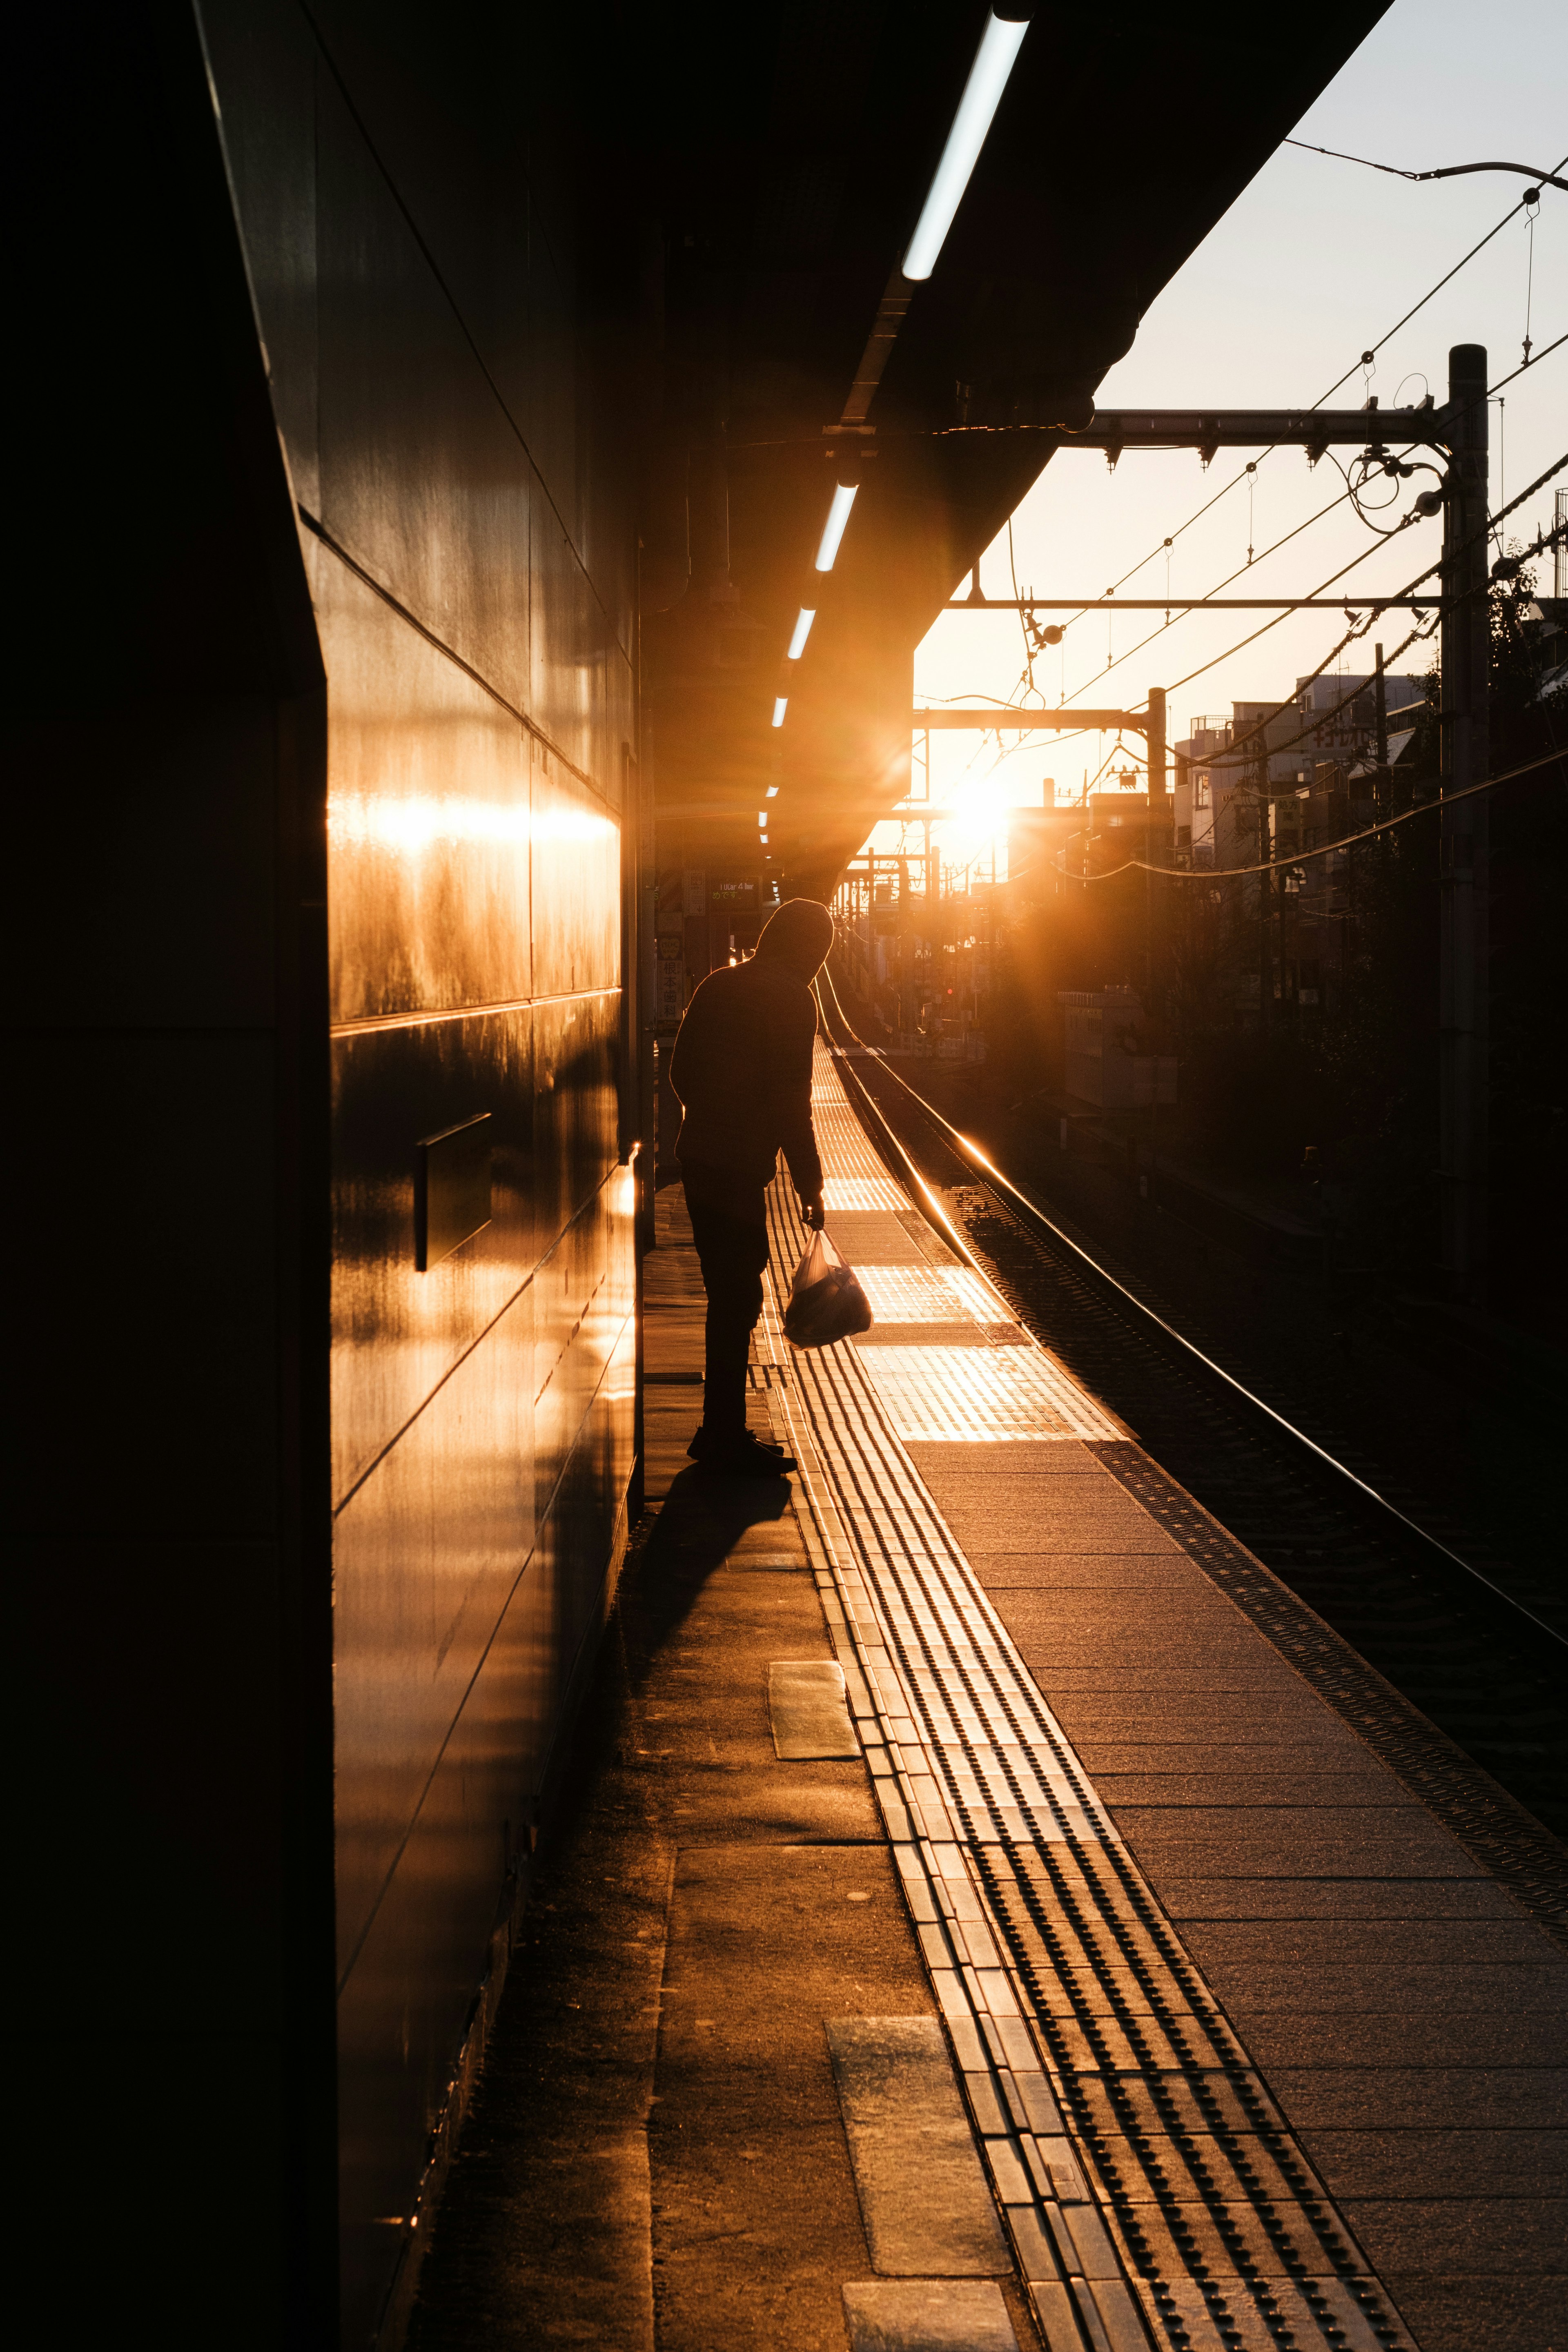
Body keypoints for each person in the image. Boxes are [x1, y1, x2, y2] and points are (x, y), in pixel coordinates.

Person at [668, 897, 835, 1475]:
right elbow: (793, 1102)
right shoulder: (792, 998)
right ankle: (720, 1437)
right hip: (738, 1169)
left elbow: (680, 1072)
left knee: (730, 1293)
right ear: (811, 950)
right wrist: (810, 1183)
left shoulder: (720, 985)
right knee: (739, 1297)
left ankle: (723, 1430)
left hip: (700, 1159)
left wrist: (712, 1116)